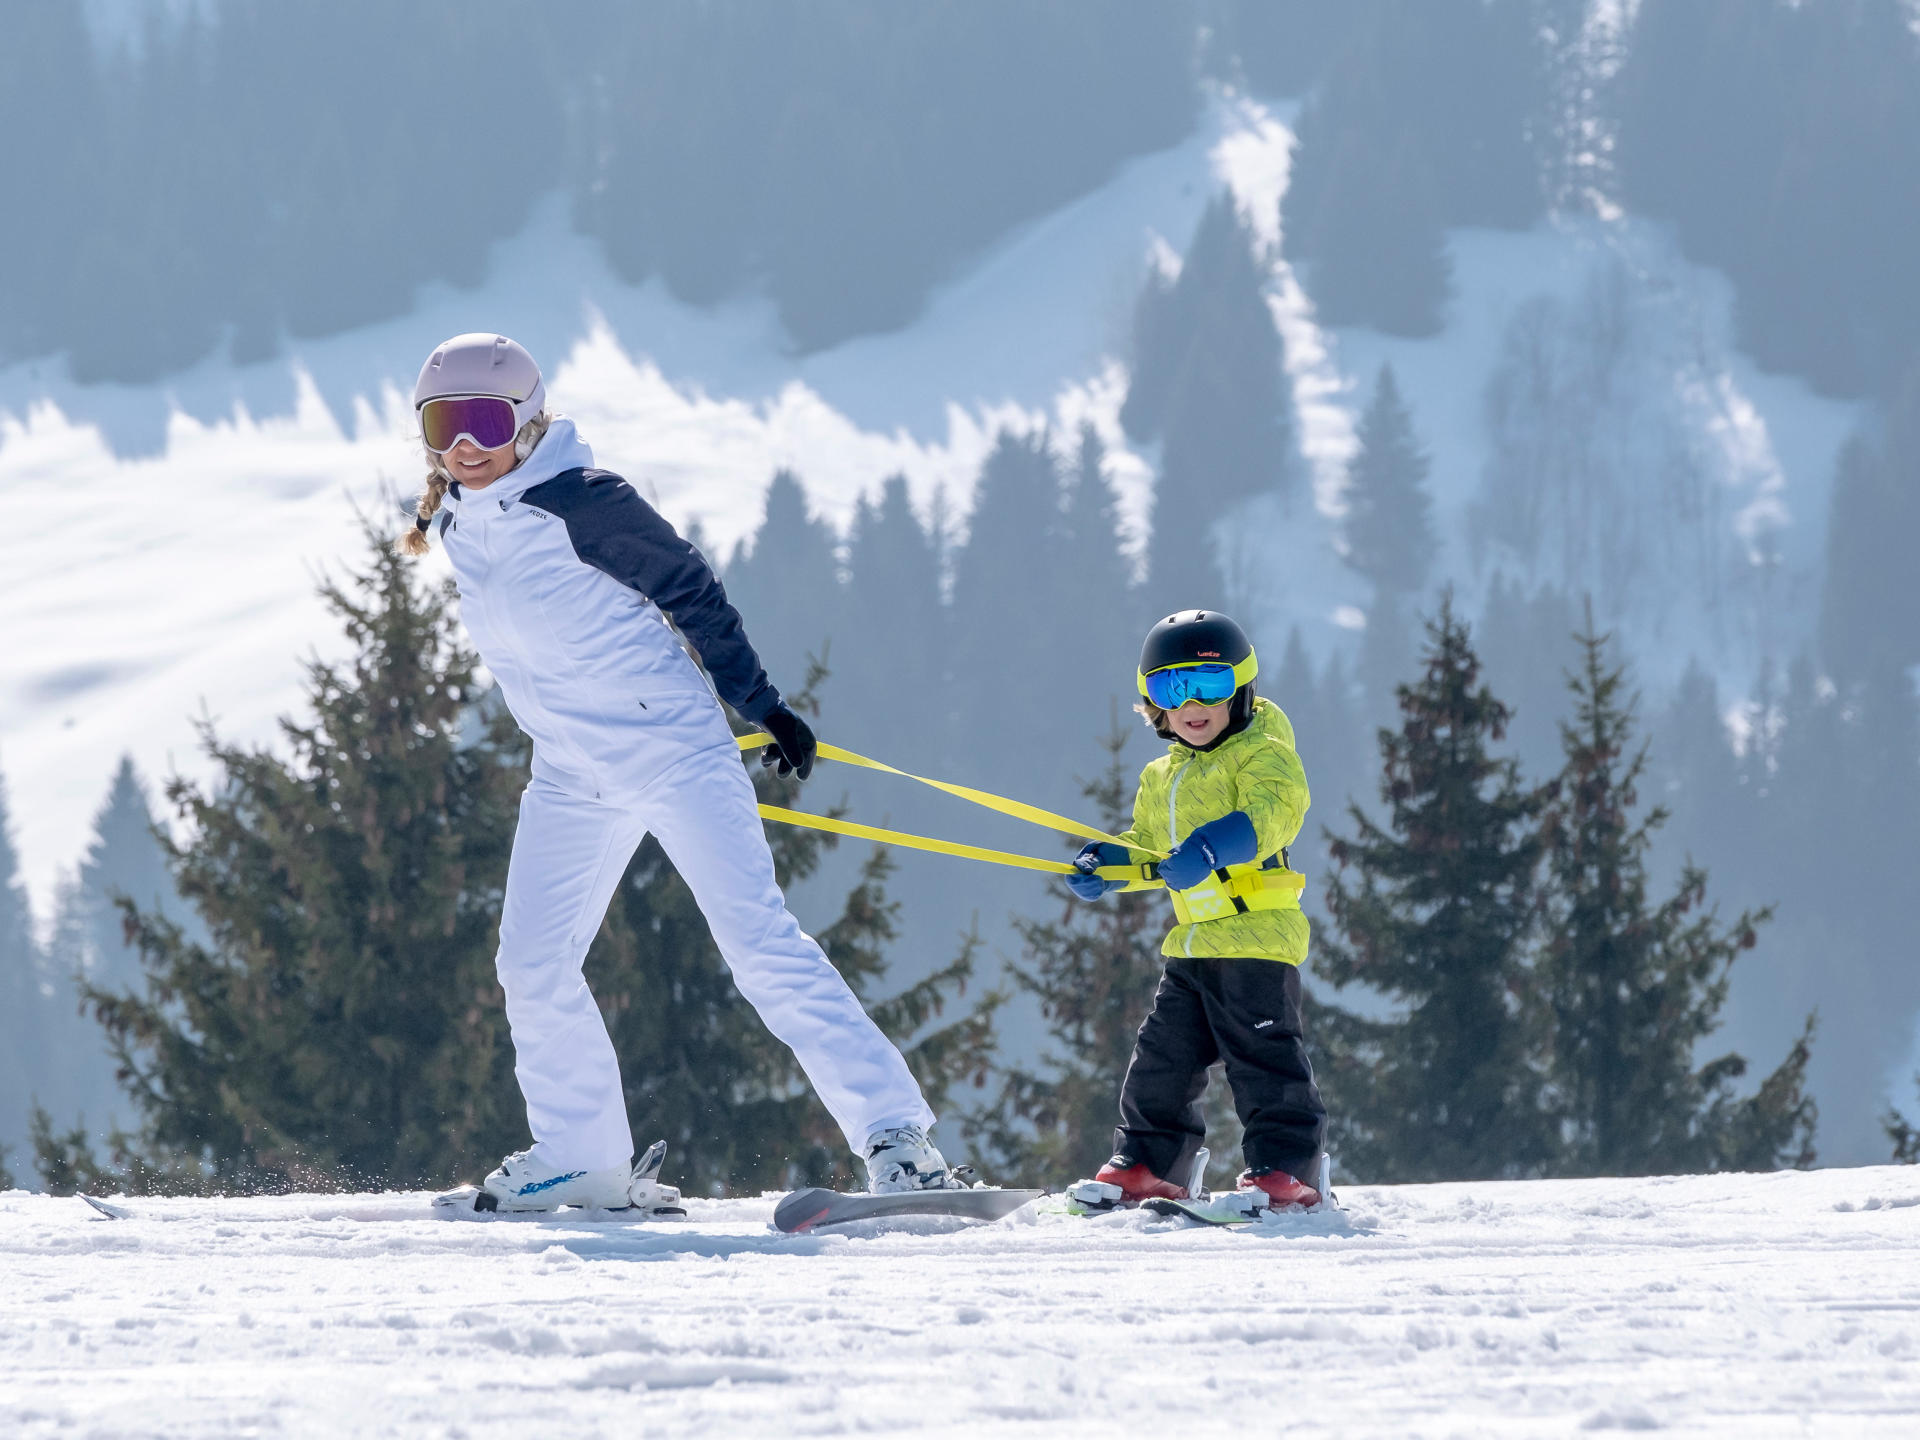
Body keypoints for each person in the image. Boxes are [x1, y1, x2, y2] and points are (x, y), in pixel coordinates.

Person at [399, 332, 961, 1210]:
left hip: (671, 752)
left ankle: (900, 1141)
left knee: (759, 945)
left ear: (530, 420)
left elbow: (690, 591)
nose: (463, 444)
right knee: (532, 963)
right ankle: (582, 1157)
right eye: (443, 424)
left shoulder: (583, 501)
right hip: (571, 772)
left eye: (483, 420)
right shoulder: (460, 519)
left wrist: (761, 704)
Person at [1066, 609, 1328, 1211]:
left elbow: (1272, 815)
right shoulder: (1163, 776)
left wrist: (1212, 847)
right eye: (1171, 688)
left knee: (1264, 1059)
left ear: (1239, 687)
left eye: (1208, 686)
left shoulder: (1263, 753)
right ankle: (1150, 1166)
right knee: (1162, 1060)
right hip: (1193, 946)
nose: (1192, 705)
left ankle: (1287, 1170)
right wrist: (1106, 866)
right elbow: (1150, 851)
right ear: (1152, 702)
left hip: (1258, 937)